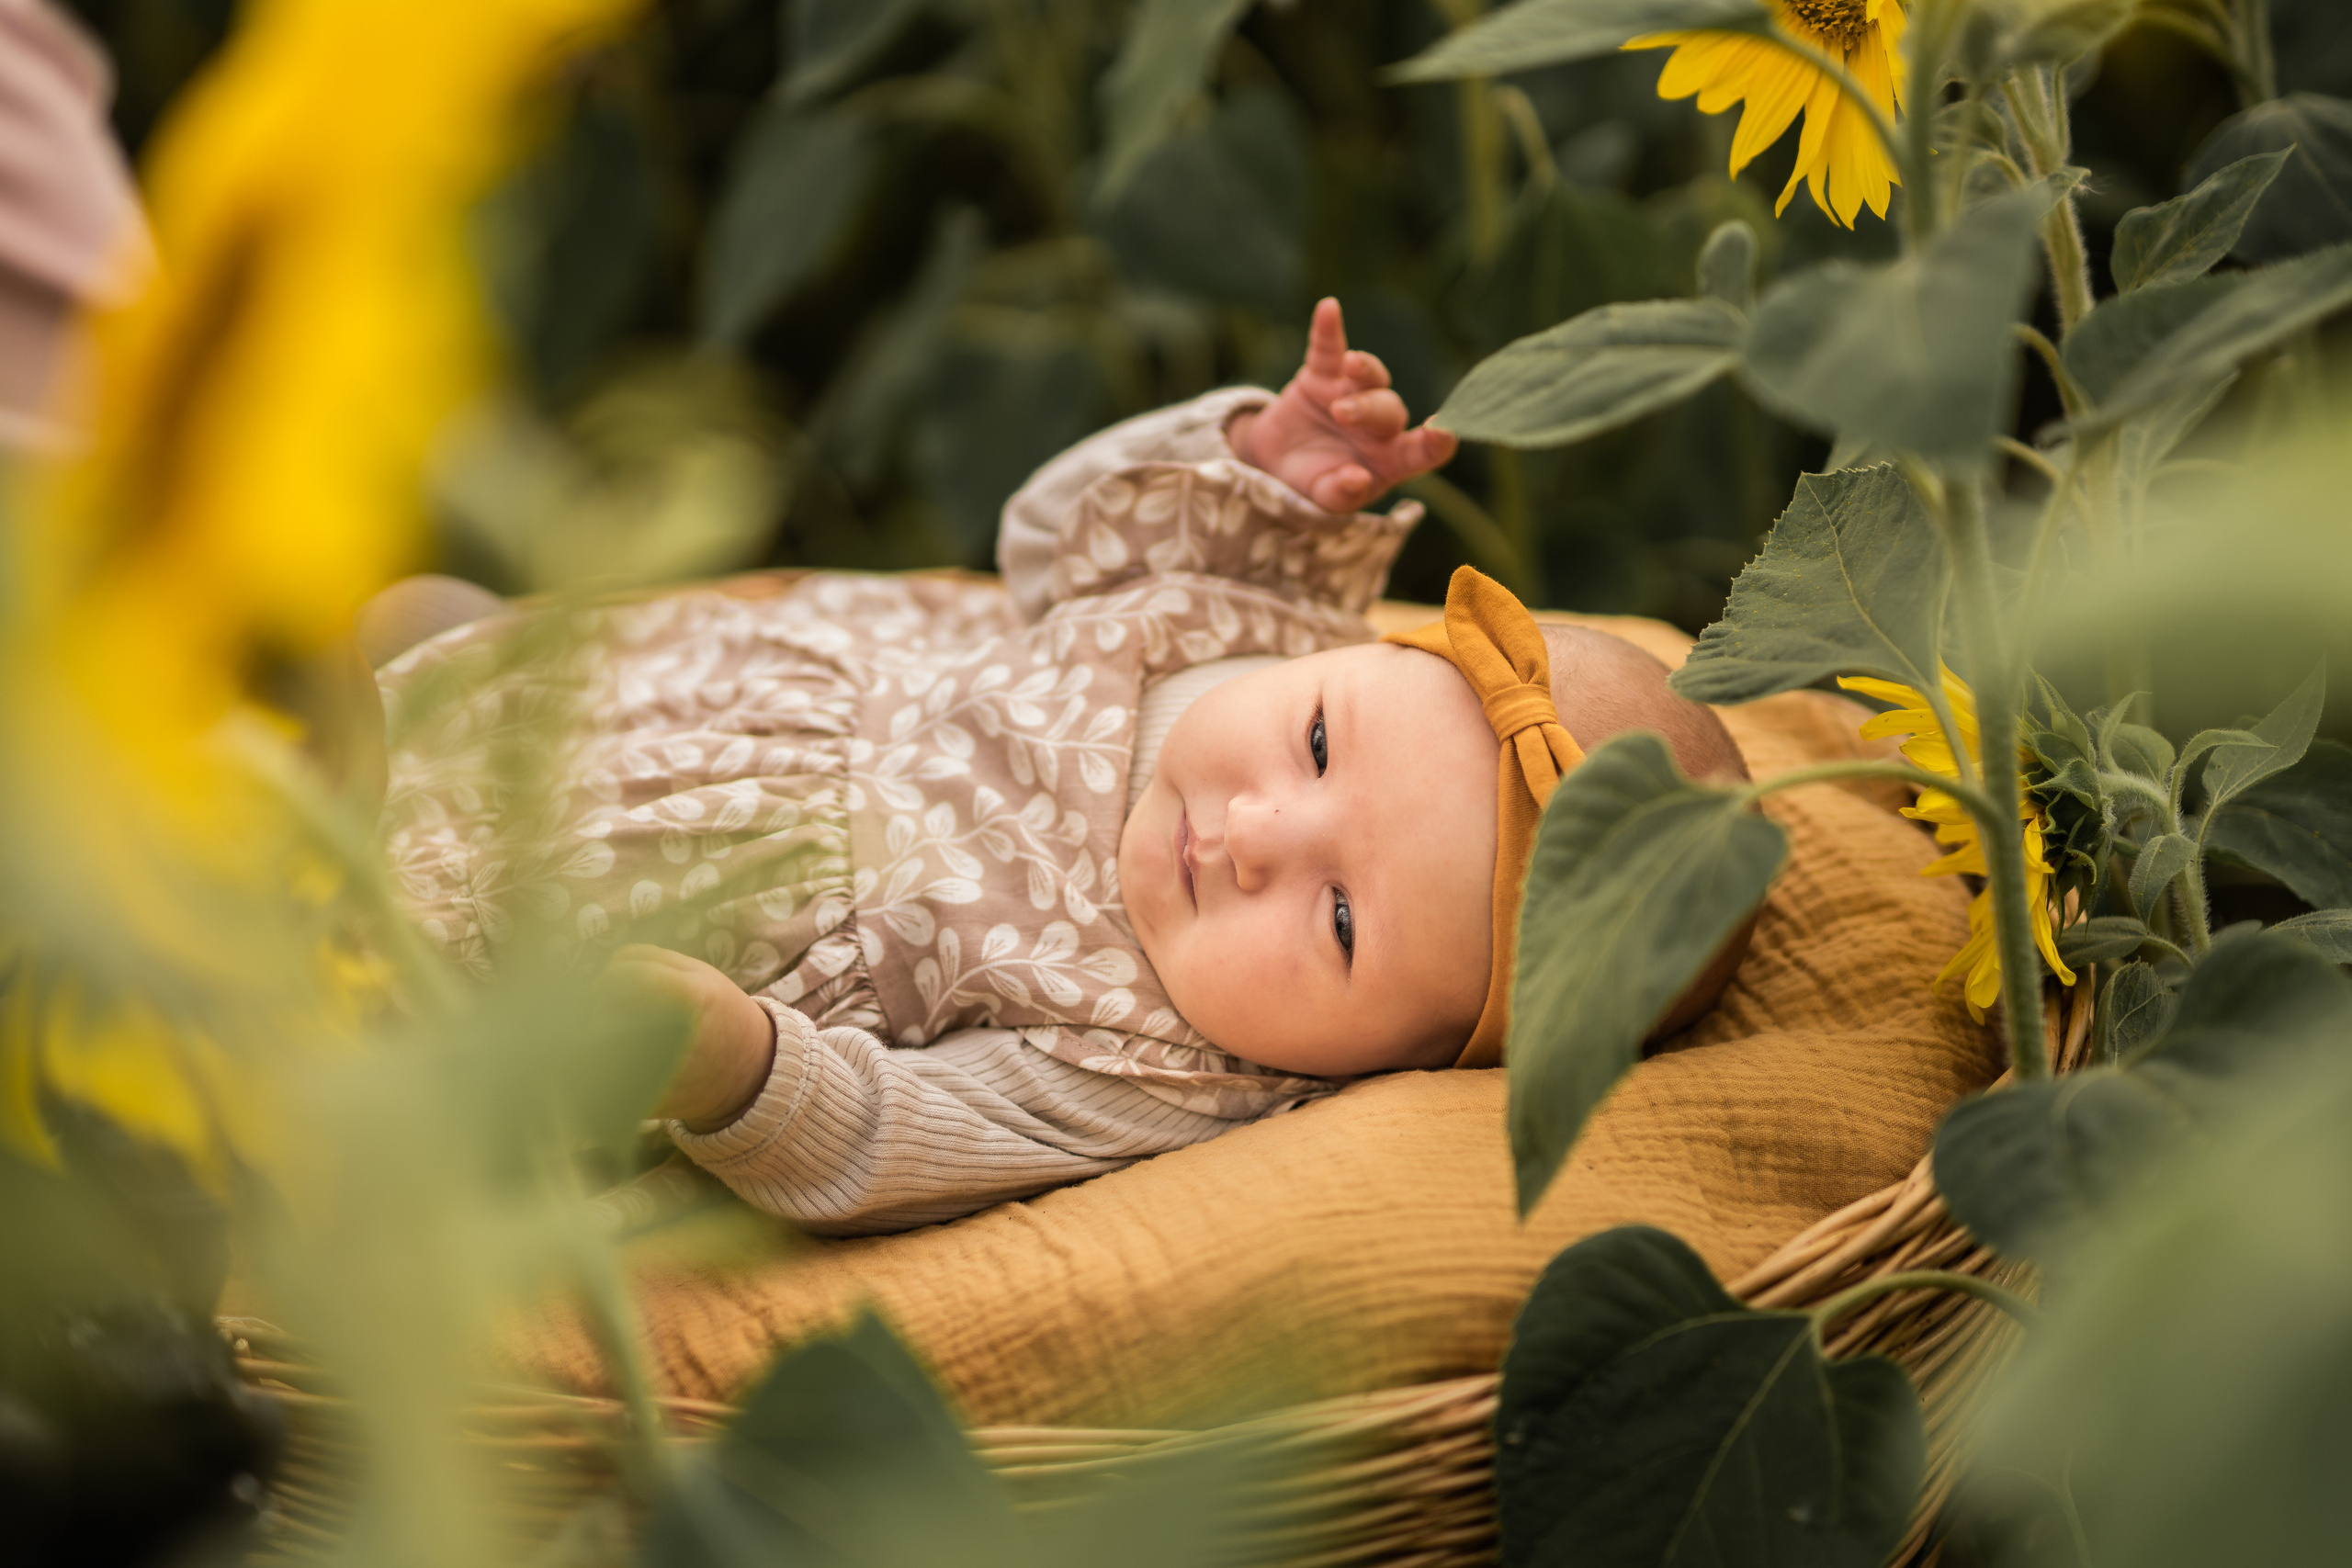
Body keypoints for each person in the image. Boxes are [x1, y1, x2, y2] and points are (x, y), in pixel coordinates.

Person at [376, 300, 1747, 1235]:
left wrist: (740, 1067)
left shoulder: (1161, 1070)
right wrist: (1256, 468)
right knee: (476, 658)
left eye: (1339, 920)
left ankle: (370, 853)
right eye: (1321, 739)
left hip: (674, 907)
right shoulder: (1249, 629)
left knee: (415, 959)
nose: (1264, 830)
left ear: (1402, 1066)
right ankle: (454, 691)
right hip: (735, 700)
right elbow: (1048, 541)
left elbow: (900, 1136)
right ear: (1354, 660)